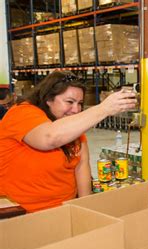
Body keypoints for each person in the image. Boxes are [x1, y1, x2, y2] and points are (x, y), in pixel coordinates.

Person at [0, 71, 137, 212]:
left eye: (80, 103)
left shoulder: (70, 127)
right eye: (70, 102)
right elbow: (48, 138)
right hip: (22, 213)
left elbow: (81, 166)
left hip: (65, 211)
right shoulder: (22, 113)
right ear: (48, 99)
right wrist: (103, 109)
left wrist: (85, 209)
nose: (76, 110)